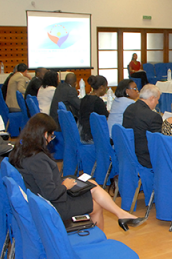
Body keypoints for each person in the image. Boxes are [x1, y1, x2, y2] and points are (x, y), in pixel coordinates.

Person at [10, 114, 145, 231]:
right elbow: (50, 193)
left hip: (45, 197)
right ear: (45, 134)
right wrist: (65, 186)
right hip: (53, 204)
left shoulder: (23, 149)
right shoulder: (38, 159)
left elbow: (44, 183)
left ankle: (121, 214)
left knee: (90, 183)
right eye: (51, 135)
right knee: (96, 206)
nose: (52, 139)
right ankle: (109, 230)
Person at [122, 84, 163, 168]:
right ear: (152, 98)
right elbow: (159, 142)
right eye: (157, 100)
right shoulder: (153, 116)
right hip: (144, 158)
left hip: (128, 153)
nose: (157, 102)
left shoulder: (129, 108)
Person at [78, 75, 109, 143]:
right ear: (101, 87)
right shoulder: (98, 101)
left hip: (82, 132)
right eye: (106, 88)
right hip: (92, 136)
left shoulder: (84, 98)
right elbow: (105, 118)